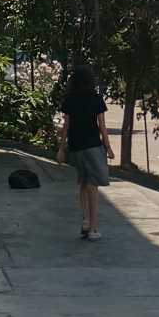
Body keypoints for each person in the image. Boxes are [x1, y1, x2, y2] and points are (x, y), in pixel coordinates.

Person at [55, 63, 114, 241]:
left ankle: (86, 221)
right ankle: (94, 228)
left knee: (83, 182)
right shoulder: (96, 99)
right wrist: (108, 147)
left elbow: (66, 126)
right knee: (92, 186)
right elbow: (102, 126)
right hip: (93, 146)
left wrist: (61, 149)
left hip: (76, 147)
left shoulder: (69, 100)